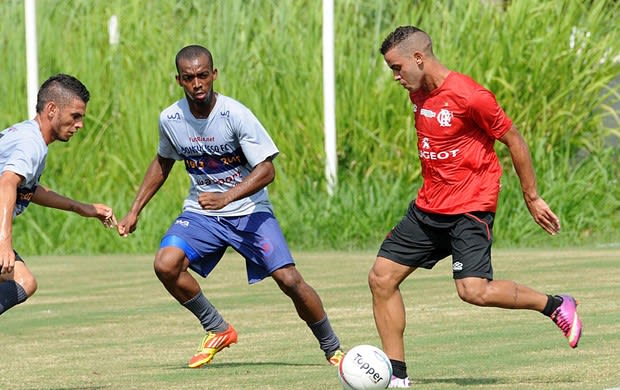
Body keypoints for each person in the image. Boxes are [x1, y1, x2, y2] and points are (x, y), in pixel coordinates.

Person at [368, 26, 582, 388]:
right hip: (429, 208)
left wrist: (532, 197)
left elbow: (513, 140)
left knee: (473, 291)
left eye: (397, 67)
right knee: (381, 278)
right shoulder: (418, 92)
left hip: (469, 208)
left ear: (419, 58)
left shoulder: (471, 96)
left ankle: (556, 305)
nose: (395, 77)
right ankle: (396, 377)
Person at [117, 45, 343, 368]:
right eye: (189, 77)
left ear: (214, 75)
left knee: (290, 280)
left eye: (203, 76)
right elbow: (163, 161)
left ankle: (333, 348)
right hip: (202, 214)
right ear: (179, 80)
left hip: (249, 212)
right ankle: (217, 328)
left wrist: (226, 197)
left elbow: (267, 170)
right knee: (165, 264)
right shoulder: (170, 118)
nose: (197, 84)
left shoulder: (235, 114)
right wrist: (134, 210)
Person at [0, 74, 117, 316]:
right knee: (22, 280)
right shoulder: (31, 144)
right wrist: (4, 243)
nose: (80, 125)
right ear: (52, 109)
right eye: (75, 116)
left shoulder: (29, 136)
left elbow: (29, 190)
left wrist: (81, 207)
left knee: (24, 281)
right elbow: (7, 184)